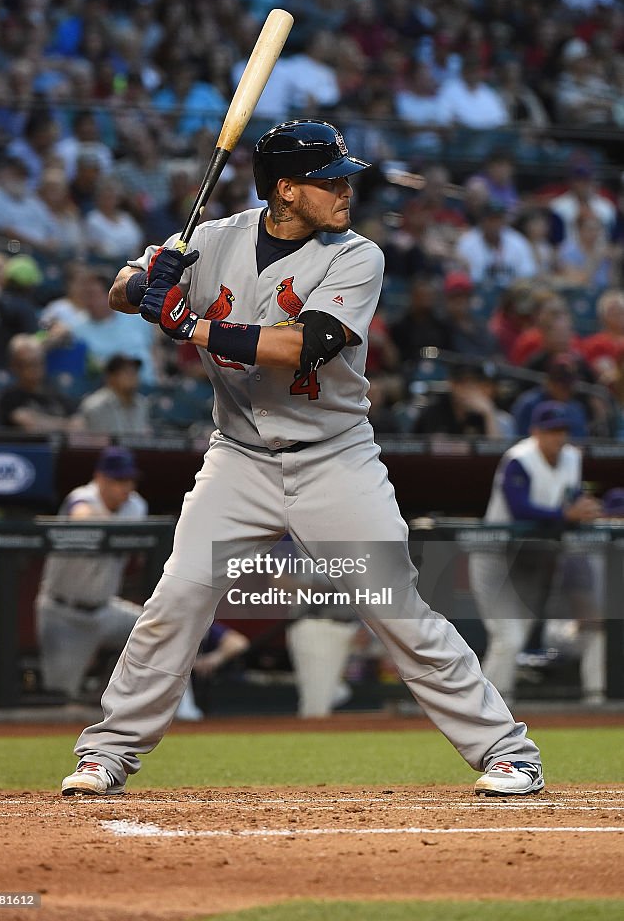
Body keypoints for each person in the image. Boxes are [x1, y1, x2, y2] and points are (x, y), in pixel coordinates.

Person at [61, 118, 543, 799]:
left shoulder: (356, 255)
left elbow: (303, 344)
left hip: (333, 460)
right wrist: (144, 284)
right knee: (175, 600)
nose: (346, 192)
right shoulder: (211, 239)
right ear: (286, 190)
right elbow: (119, 287)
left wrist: (189, 323)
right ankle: (106, 753)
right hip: (239, 459)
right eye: (330, 182)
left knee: (394, 608)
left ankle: (507, 750)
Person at [469, 401, 602, 705]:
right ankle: (485, 709)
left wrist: (584, 507)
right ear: (535, 432)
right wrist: (566, 514)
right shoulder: (519, 458)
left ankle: (491, 707)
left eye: (562, 430)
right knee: (509, 637)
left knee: (514, 639)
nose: (558, 437)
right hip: (496, 554)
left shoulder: (571, 457)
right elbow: (520, 509)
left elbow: (571, 496)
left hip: (532, 557)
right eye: (551, 430)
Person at [35, 446, 148, 700]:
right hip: (63, 613)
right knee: (61, 695)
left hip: (106, 610)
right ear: (99, 478)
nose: (126, 487)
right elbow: (80, 516)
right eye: (118, 480)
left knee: (159, 632)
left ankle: (174, 710)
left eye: (129, 480)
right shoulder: (83, 497)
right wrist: (110, 525)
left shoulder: (136, 506)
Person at [76, 353, 151, 437]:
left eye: (135, 371)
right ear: (111, 376)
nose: (133, 376)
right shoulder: (95, 405)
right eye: (126, 372)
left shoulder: (142, 403)